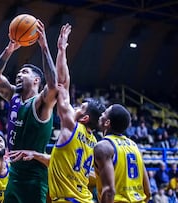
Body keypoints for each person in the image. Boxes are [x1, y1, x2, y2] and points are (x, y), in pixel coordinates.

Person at [8, 24, 106, 203]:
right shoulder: (93, 141)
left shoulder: (71, 125)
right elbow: (58, 162)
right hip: (84, 198)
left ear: (84, 118)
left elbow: (61, 83)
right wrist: (36, 155)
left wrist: (59, 49)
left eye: (80, 108)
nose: (75, 108)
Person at [0, 19, 57, 203]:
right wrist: (9, 49)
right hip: (14, 174)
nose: (19, 74)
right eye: (19, 72)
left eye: (24, 72)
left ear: (36, 81)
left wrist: (44, 47)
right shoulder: (13, 97)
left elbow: (53, 85)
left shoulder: (41, 103)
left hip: (34, 178)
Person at [93, 104, 151, 203]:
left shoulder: (103, 146)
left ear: (107, 122)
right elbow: (148, 192)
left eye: (105, 112)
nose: (101, 114)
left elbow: (109, 191)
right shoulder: (134, 146)